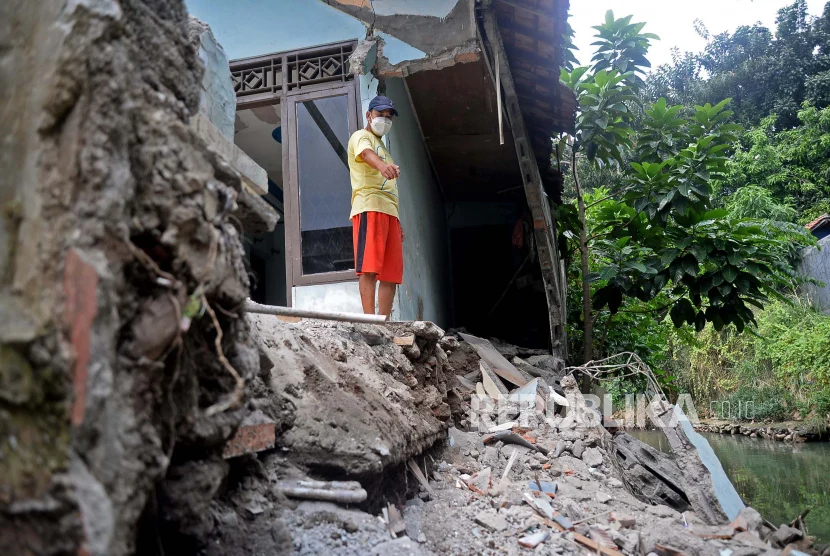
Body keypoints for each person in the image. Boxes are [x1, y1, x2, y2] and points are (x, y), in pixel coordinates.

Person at [347, 95, 404, 319]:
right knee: (369, 268)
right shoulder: (361, 136)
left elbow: (391, 190)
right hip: (369, 206)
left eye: (389, 117)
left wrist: (398, 221)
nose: (384, 120)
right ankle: (370, 322)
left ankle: (384, 322)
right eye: (380, 115)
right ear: (369, 115)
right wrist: (382, 166)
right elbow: (365, 154)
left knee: (391, 273)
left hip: (390, 213)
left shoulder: (384, 147)